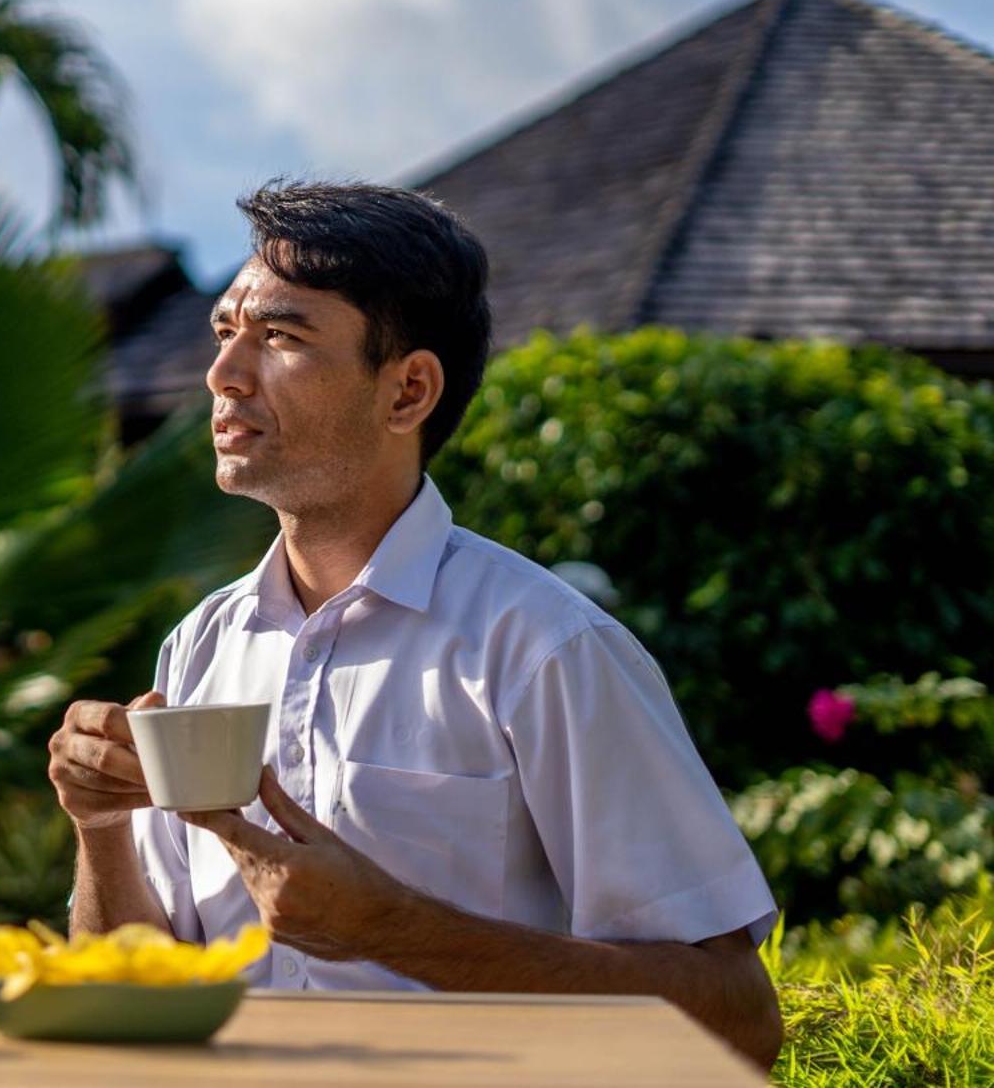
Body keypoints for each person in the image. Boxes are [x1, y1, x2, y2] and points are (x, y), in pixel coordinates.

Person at [47, 181, 784, 1069]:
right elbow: (138, 1001)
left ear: (408, 392)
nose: (223, 374)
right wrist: (100, 828)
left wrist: (394, 929)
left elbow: (739, 1020)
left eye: (279, 335)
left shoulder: (543, 647)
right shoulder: (201, 647)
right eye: (225, 332)